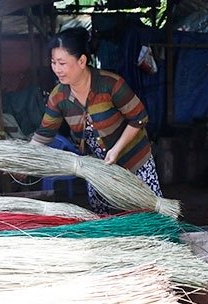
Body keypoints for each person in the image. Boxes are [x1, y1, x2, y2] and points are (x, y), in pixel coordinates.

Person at [30, 26, 163, 214]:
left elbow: (139, 118)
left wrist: (116, 150)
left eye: (62, 63)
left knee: (148, 218)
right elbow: (45, 134)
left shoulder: (110, 84)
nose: (56, 69)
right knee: (108, 224)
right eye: (53, 63)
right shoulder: (58, 96)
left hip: (134, 164)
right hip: (99, 172)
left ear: (82, 60)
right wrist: (20, 157)